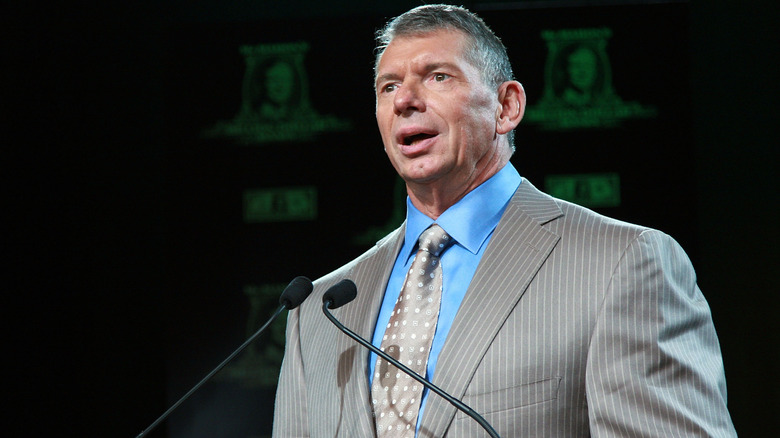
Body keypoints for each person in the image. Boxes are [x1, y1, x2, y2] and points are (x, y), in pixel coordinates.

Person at [273, 4, 736, 437]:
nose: (405, 100)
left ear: (506, 107)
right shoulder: (317, 311)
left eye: (437, 76)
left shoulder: (622, 265)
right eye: (388, 86)